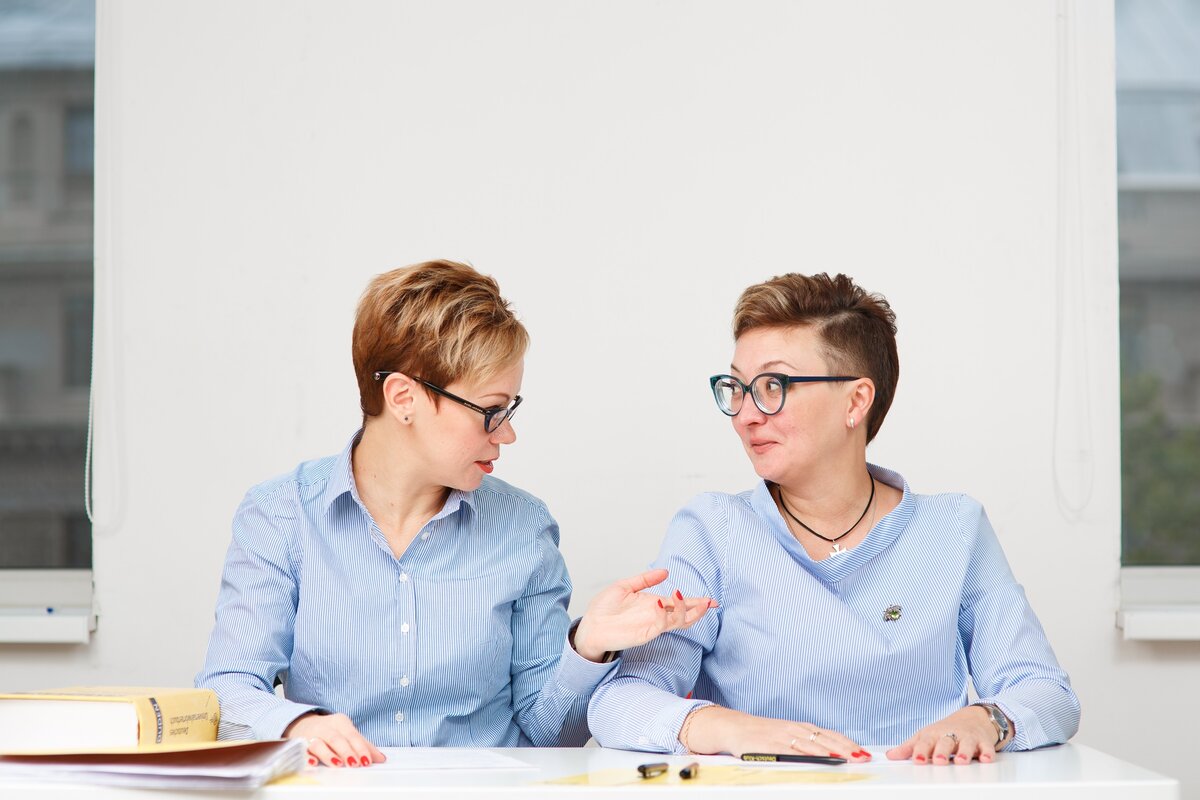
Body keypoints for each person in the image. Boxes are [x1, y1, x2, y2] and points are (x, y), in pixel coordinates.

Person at [196, 260, 714, 768]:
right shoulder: (281, 516)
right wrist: (299, 726)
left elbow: (549, 734)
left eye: (510, 410)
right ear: (404, 397)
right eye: (491, 411)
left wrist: (588, 646)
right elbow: (228, 689)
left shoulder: (523, 527)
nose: (507, 433)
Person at [588, 272, 1079, 765]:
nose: (745, 415)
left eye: (773, 385)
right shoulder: (712, 529)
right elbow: (619, 701)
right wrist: (730, 728)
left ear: (856, 401)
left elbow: (1047, 692)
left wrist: (985, 719)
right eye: (737, 387)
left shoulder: (954, 528)